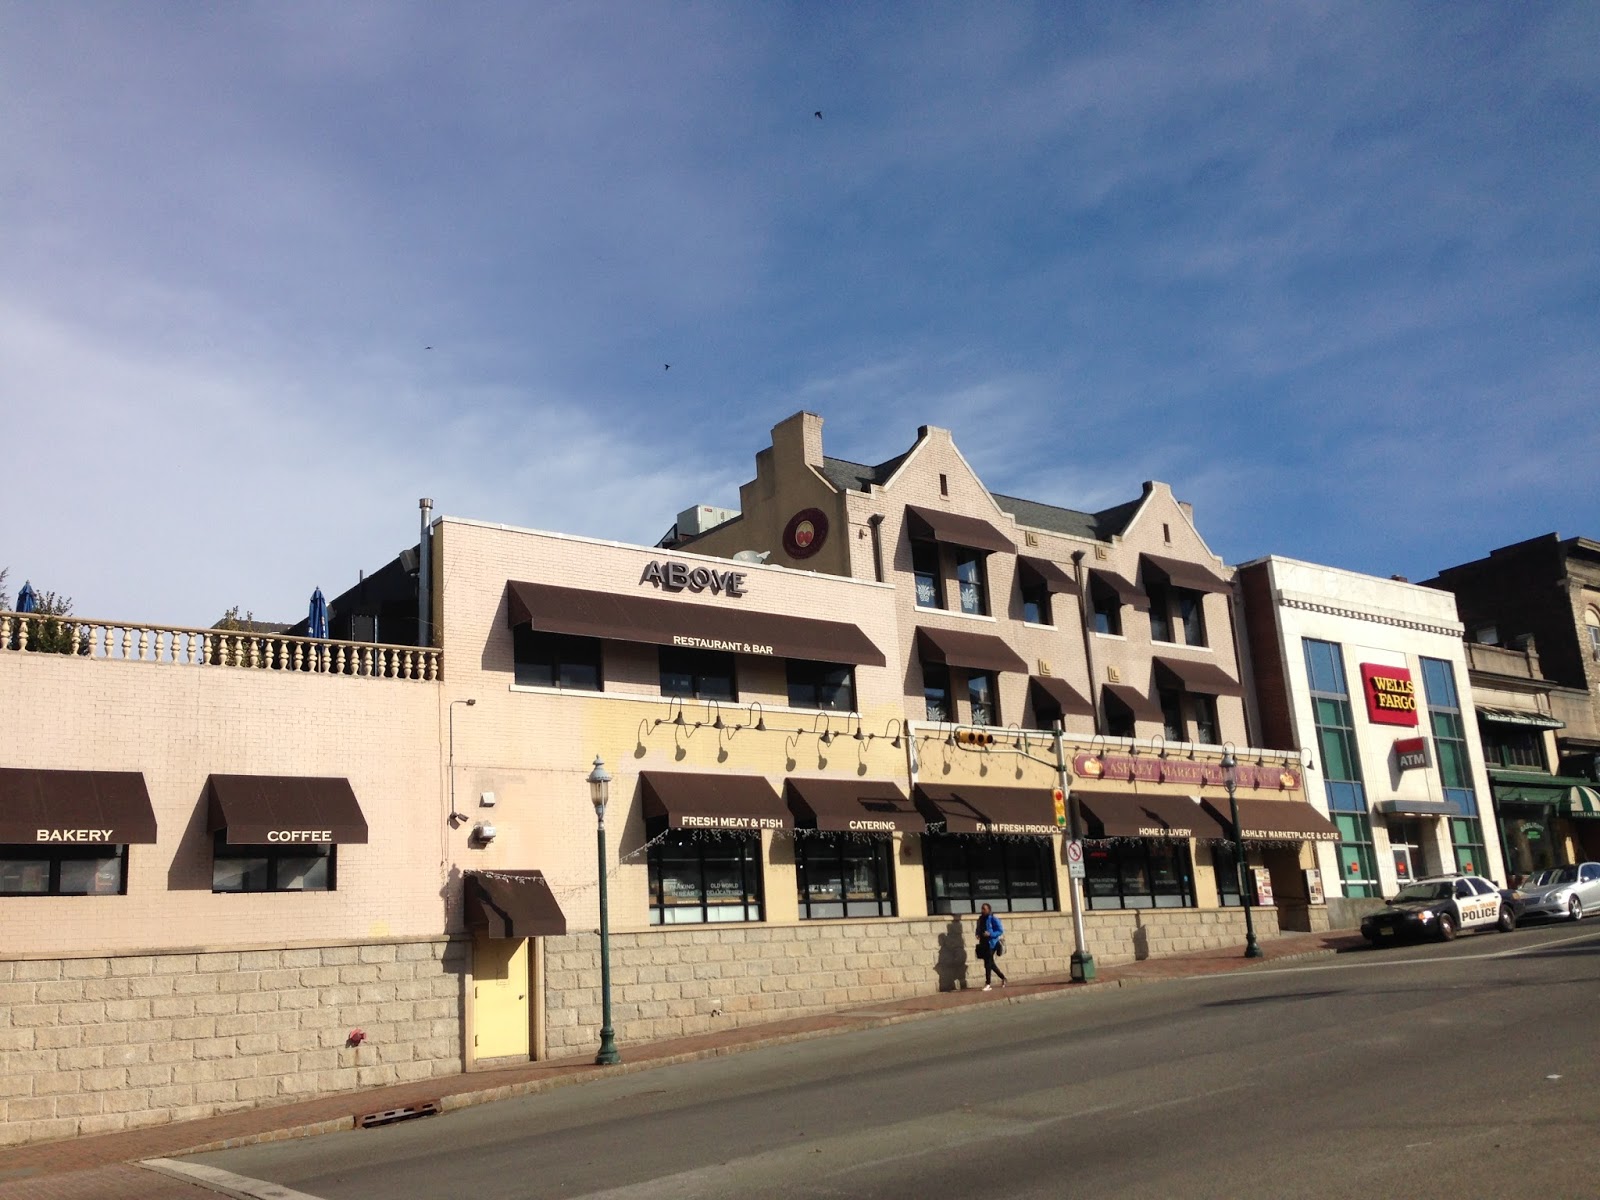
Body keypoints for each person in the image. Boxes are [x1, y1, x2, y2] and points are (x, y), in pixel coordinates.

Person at [975, 903, 1006, 991]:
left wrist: (991, 934)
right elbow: (978, 928)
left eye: (984, 909)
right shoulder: (980, 919)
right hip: (983, 943)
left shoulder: (993, 918)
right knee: (990, 964)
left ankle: (988, 983)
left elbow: (1000, 930)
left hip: (992, 943)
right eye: (982, 909)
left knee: (987, 963)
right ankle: (1003, 978)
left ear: (989, 909)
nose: (982, 910)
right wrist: (977, 934)